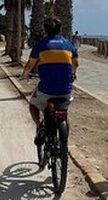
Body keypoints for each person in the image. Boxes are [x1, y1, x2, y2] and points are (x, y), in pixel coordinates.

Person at [20, 17, 78, 145]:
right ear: (60, 29)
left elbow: (30, 64)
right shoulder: (68, 44)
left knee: (33, 105)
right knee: (64, 112)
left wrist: (25, 75)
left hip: (46, 90)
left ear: (44, 30)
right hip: (65, 91)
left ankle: (40, 126)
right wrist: (73, 74)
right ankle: (64, 146)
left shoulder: (41, 45)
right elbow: (75, 63)